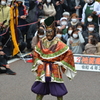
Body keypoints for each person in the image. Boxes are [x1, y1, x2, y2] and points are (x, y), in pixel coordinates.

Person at [31, 16, 77, 100]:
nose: (49, 34)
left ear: (54, 32)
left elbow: (69, 53)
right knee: (40, 90)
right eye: (47, 32)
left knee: (59, 91)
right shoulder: (41, 42)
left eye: (51, 31)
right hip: (43, 67)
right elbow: (35, 52)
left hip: (54, 67)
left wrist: (62, 62)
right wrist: (37, 60)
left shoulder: (59, 43)